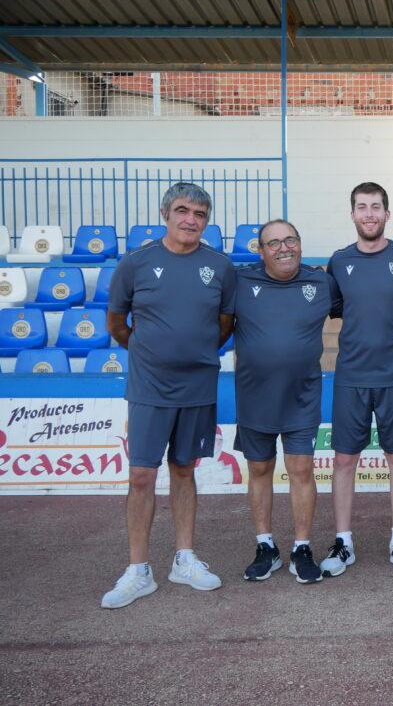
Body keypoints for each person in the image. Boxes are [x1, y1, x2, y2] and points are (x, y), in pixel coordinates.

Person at [101, 182, 235, 609]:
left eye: (199, 214)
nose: (190, 220)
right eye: (182, 211)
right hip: (149, 386)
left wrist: (192, 352)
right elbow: (117, 324)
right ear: (165, 214)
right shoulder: (136, 263)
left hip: (198, 385)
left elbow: (225, 324)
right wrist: (150, 352)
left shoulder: (220, 266)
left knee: (183, 469)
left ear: (206, 222)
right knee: (141, 475)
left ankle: (184, 558)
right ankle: (137, 570)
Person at [320, 182, 393, 577]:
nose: (369, 214)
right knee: (344, 459)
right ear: (352, 214)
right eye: (362, 207)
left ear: (387, 213)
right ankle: (343, 542)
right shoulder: (339, 261)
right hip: (351, 376)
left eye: (376, 207)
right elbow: (336, 309)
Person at [234, 219, 341, 584]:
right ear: (261, 251)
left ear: (300, 243)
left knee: (301, 470)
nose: (284, 248)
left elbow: (360, 311)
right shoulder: (240, 282)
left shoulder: (321, 282)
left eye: (290, 239)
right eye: (274, 242)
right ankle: (265, 546)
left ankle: (301, 548)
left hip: (301, 396)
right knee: (260, 469)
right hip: (254, 397)